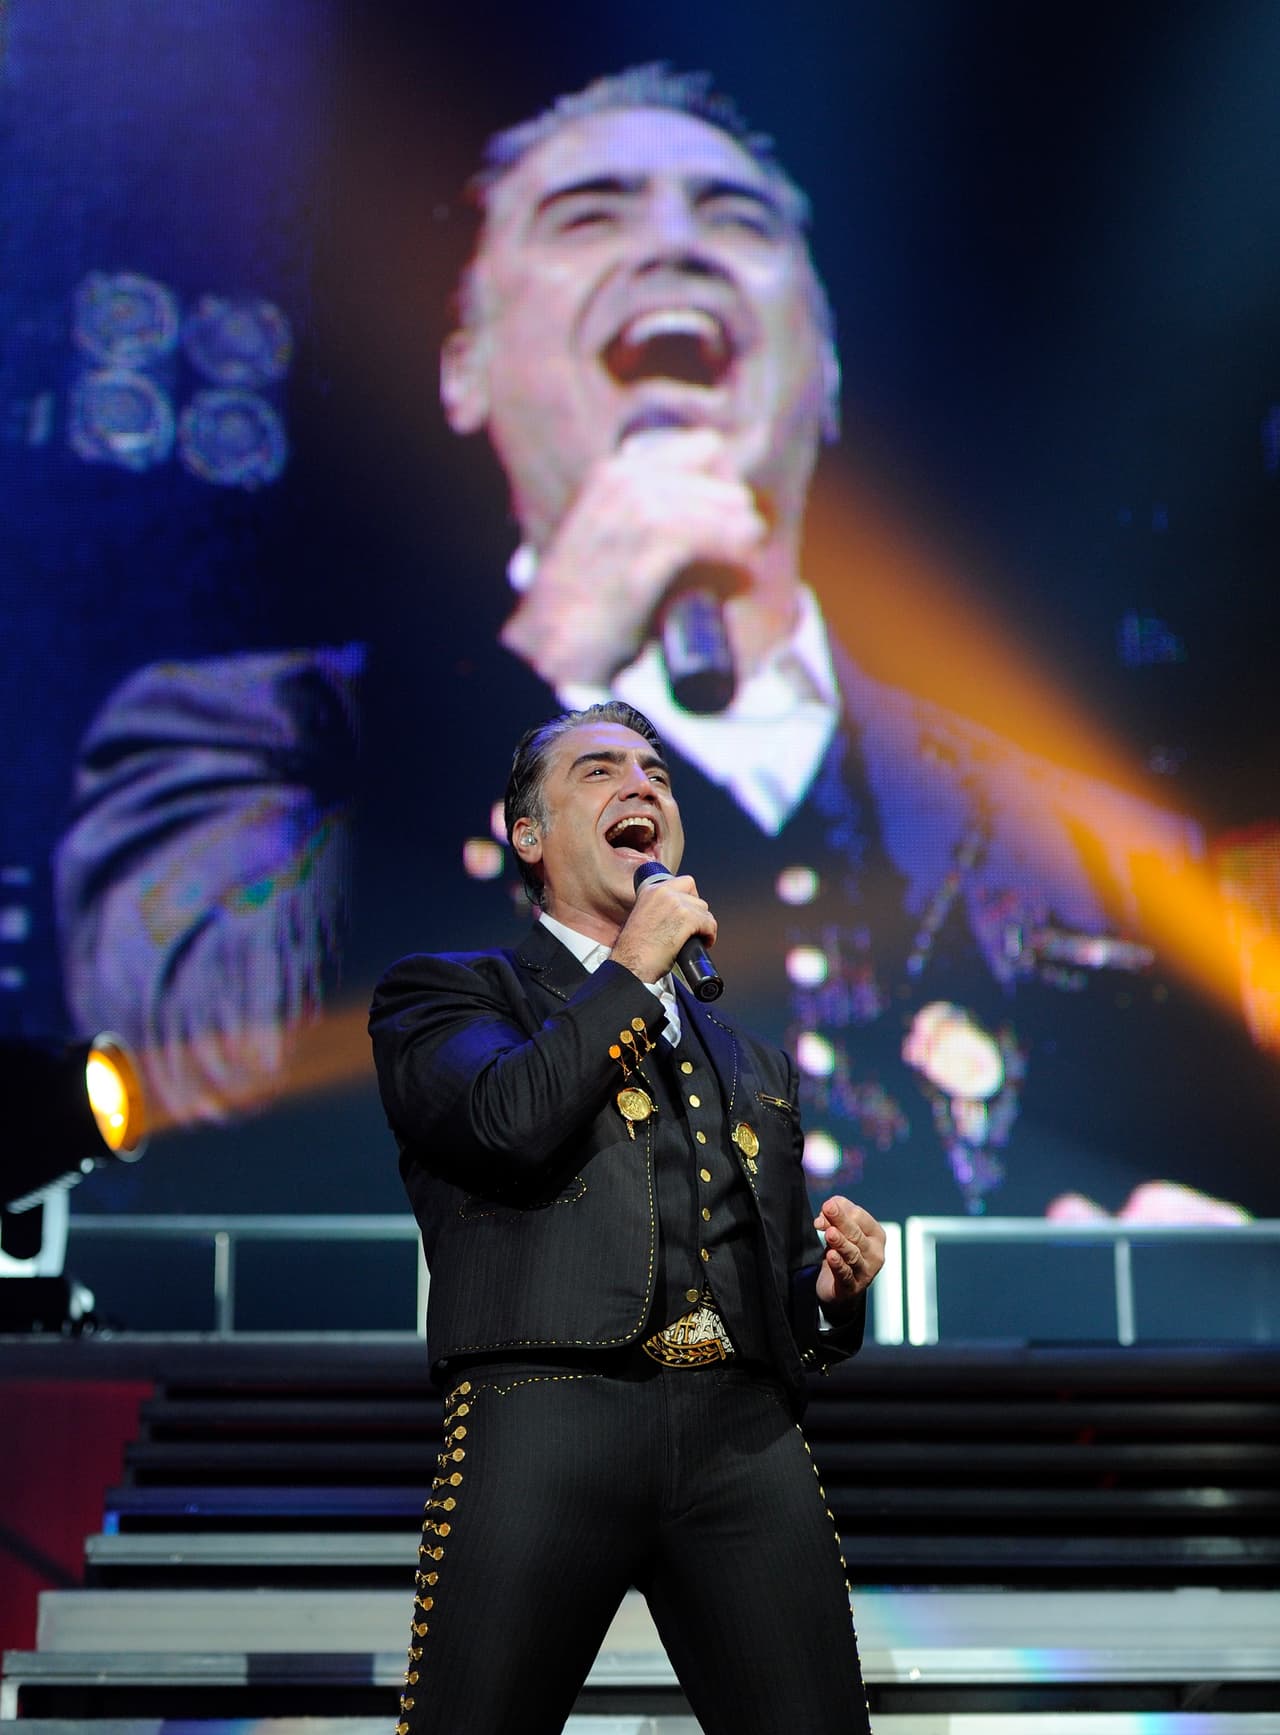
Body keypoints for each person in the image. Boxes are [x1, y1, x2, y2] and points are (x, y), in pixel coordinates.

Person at [434, 64, 1278, 1228]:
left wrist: (1132, 1222)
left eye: (734, 219)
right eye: (591, 215)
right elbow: (211, 1066)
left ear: (823, 369)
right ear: (464, 365)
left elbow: (1178, 1143)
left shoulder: (1070, 825)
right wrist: (564, 655)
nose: (677, 248)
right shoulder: (269, 748)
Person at [369, 699, 883, 1734]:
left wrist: (824, 1292)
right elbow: (504, 1119)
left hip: (743, 1436)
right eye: (598, 772)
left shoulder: (751, 1060)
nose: (640, 785)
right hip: (547, 1411)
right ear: (528, 833)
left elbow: (764, 1281)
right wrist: (629, 970)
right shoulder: (449, 996)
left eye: (654, 771)